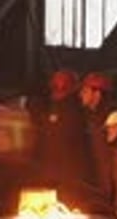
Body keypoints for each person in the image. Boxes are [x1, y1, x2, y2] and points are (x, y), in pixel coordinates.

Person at [38, 69, 92, 206]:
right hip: (54, 169)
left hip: (69, 171)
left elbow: (72, 140)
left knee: (69, 202)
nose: (54, 85)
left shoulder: (73, 109)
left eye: (58, 82)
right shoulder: (56, 106)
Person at [79, 70, 117, 209]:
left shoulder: (112, 120)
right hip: (102, 182)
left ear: (97, 93)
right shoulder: (93, 117)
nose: (81, 94)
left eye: (85, 90)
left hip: (112, 184)